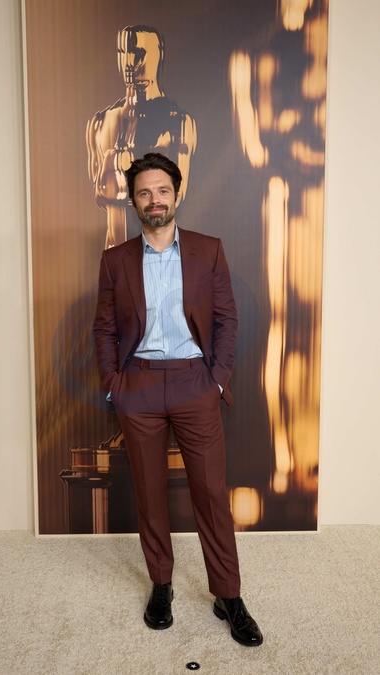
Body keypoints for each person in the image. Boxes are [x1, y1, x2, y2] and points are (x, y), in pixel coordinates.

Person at [93, 152, 263, 646]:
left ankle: (228, 595)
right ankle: (161, 585)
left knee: (211, 493)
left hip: (195, 382)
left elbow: (227, 319)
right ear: (133, 201)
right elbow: (104, 328)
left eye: (162, 191)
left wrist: (216, 380)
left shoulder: (209, 250)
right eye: (144, 192)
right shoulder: (115, 260)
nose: (154, 200)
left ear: (177, 195)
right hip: (138, 385)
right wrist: (114, 385)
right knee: (149, 494)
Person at [86, 25, 196, 248]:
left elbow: (176, 195)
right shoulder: (102, 120)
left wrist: (117, 169)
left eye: (139, 53)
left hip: (162, 250)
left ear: (157, 55)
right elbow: (100, 192)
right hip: (115, 249)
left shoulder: (178, 121)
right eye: (124, 53)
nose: (129, 63)